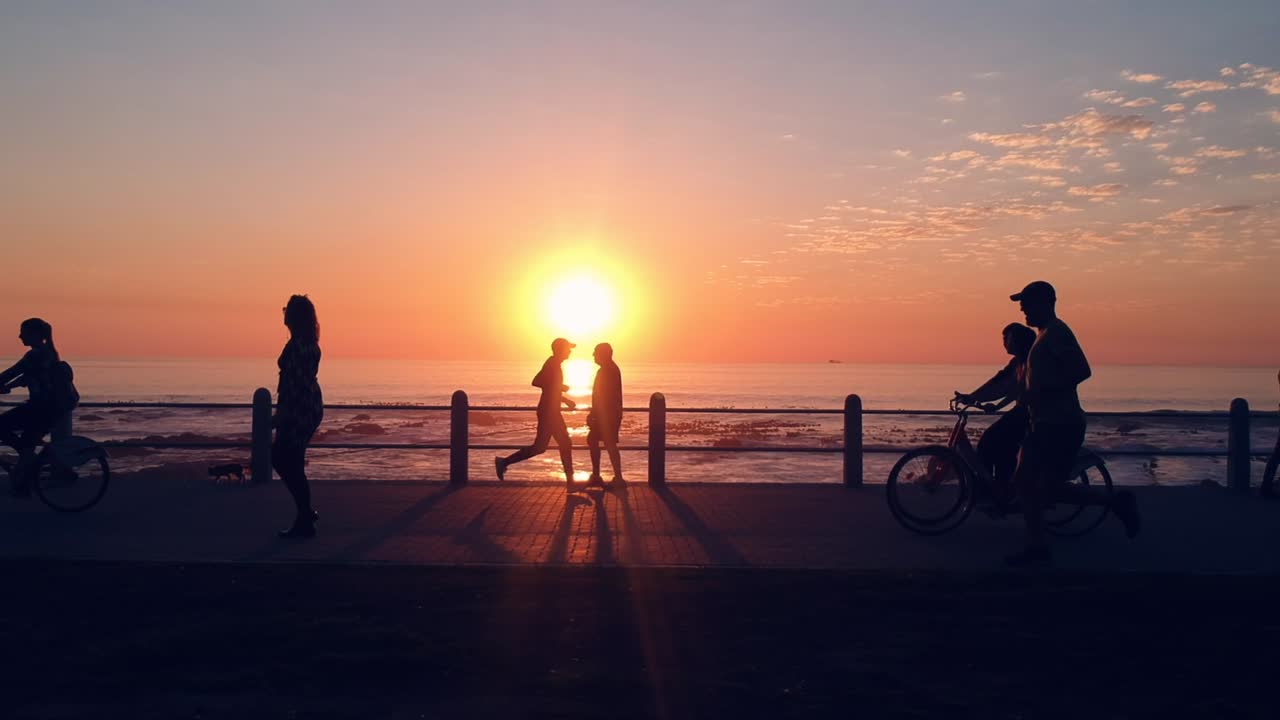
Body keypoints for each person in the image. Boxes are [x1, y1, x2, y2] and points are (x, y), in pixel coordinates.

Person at [1007, 281, 1140, 567]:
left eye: (1027, 303)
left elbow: (1081, 370)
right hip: (1044, 423)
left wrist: (1042, 392)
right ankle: (1114, 503)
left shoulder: (1057, 333)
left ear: (1046, 303)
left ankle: (1038, 548)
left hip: (1059, 424)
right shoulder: (1043, 336)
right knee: (1042, 486)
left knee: (1030, 483)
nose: (1022, 309)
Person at [954, 323, 1037, 503]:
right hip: (1022, 411)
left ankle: (999, 490)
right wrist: (979, 398)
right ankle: (1001, 488)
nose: (1004, 342)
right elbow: (1004, 384)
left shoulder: (1029, 362)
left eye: (1006, 338)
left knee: (990, 440)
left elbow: (1004, 386)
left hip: (1029, 414)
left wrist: (974, 397)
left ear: (1016, 340)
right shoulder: (1018, 362)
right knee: (998, 444)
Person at [496, 338, 577, 491]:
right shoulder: (552, 363)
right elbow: (537, 381)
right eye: (568, 348)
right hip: (549, 412)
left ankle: (504, 462)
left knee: (543, 446)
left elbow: (550, 389)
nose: (570, 351)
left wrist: (564, 399)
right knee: (561, 444)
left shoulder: (555, 364)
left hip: (550, 411)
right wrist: (560, 387)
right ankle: (571, 483)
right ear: (560, 349)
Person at [274, 295, 324, 538]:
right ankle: (304, 516)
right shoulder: (308, 343)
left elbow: (293, 383)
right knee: (289, 459)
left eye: (287, 311)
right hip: (308, 405)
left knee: (283, 458)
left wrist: (282, 413)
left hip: (299, 408)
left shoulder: (298, 346)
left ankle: (305, 515)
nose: (283, 315)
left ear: (294, 317)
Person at [0, 318, 65, 495]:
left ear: (35, 334)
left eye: (23, 332)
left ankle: (31, 463)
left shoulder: (36, 355)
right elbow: (25, 377)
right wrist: (7, 386)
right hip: (47, 408)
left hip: (40, 409)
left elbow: (13, 372)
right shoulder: (48, 353)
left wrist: (4, 385)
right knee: (28, 442)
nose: (20, 335)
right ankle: (25, 480)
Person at [586, 342, 624, 488]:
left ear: (604, 354)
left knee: (607, 443)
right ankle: (607, 476)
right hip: (608, 414)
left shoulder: (608, 370)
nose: (593, 355)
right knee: (600, 442)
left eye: (596, 352)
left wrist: (595, 414)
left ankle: (612, 477)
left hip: (607, 416)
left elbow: (604, 396)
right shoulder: (609, 369)